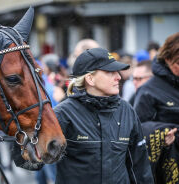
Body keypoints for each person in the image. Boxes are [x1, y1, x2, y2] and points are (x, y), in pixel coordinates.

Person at [54, 48, 154, 184]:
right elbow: (33, 161)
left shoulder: (126, 110)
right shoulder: (63, 113)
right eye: (110, 72)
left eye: (117, 71)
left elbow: (139, 167)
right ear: (90, 78)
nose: (118, 76)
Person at [134, 32, 179, 183]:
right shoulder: (149, 90)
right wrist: (162, 135)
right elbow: (138, 129)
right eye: (178, 63)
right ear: (167, 60)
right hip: (168, 166)